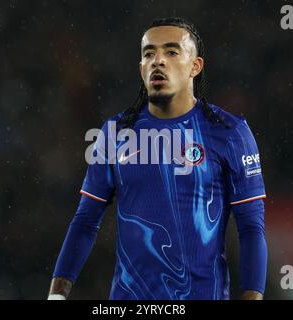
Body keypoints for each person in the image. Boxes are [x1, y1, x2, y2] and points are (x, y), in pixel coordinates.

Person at [48, 17, 267, 300]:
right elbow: (85, 220)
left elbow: (250, 228)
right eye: (149, 54)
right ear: (141, 68)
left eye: (171, 52)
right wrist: (56, 295)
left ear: (195, 66)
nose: (158, 61)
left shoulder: (230, 133)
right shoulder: (116, 133)